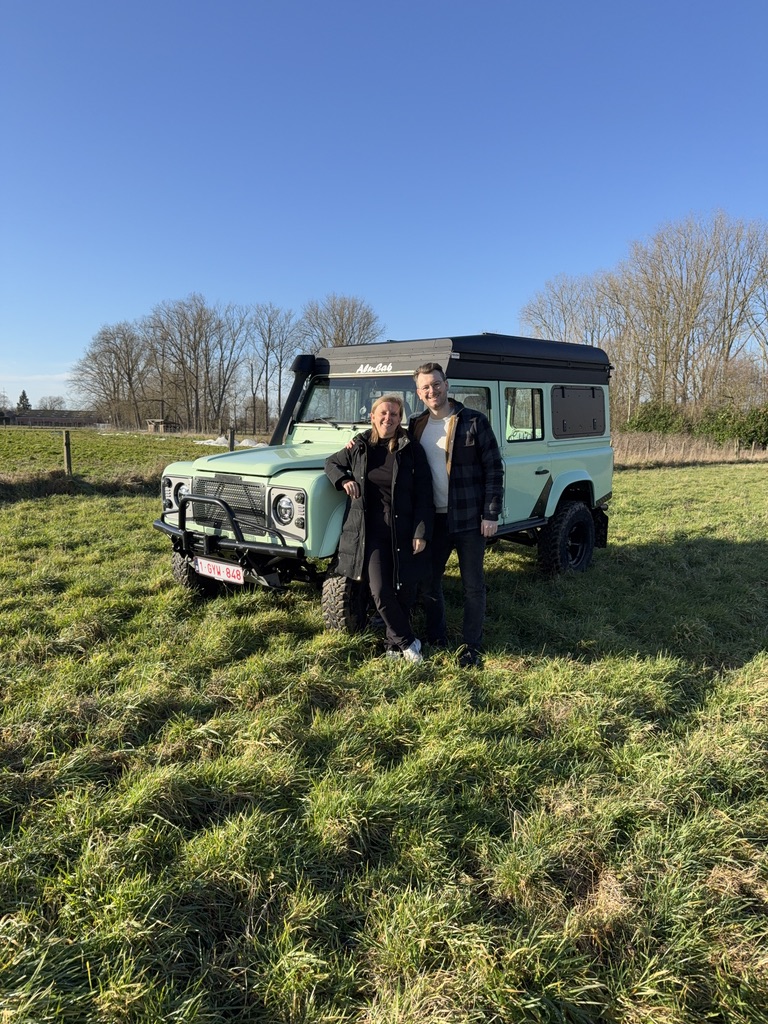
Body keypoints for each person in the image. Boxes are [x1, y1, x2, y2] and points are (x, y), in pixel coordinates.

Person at [325, 395, 433, 662]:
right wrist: (343, 479)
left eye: (395, 414)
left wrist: (420, 532)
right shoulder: (360, 446)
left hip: (402, 530)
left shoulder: (411, 449)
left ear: (400, 419)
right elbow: (331, 463)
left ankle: (391, 645)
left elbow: (424, 495)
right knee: (380, 591)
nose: (389, 418)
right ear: (372, 417)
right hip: (369, 533)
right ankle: (409, 641)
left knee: (403, 590)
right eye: (383, 413)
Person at [410, 362, 503, 668]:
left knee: (472, 586)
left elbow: (494, 468)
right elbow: (385, 440)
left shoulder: (473, 421)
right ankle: (437, 638)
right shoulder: (417, 426)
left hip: (469, 519)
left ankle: (471, 646)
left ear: (446, 385)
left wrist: (491, 514)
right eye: (425, 387)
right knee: (429, 583)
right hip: (433, 521)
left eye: (436, 384)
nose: (431, 391)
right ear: (419, 392)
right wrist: (356, 442)